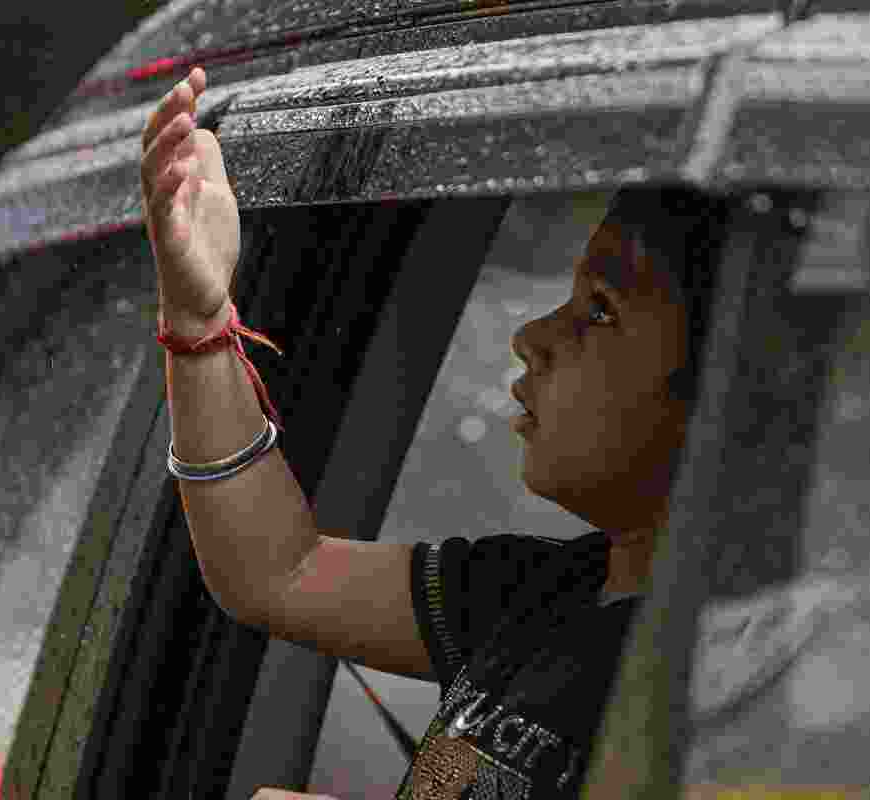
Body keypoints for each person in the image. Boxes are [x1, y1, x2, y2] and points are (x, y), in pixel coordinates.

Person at [141, 66, 731, 800]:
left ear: (727, 380)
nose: (532, 335)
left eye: (602, 310)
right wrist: (200, 325)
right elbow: (276, 574)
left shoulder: (740, 671)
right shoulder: (532, 596)